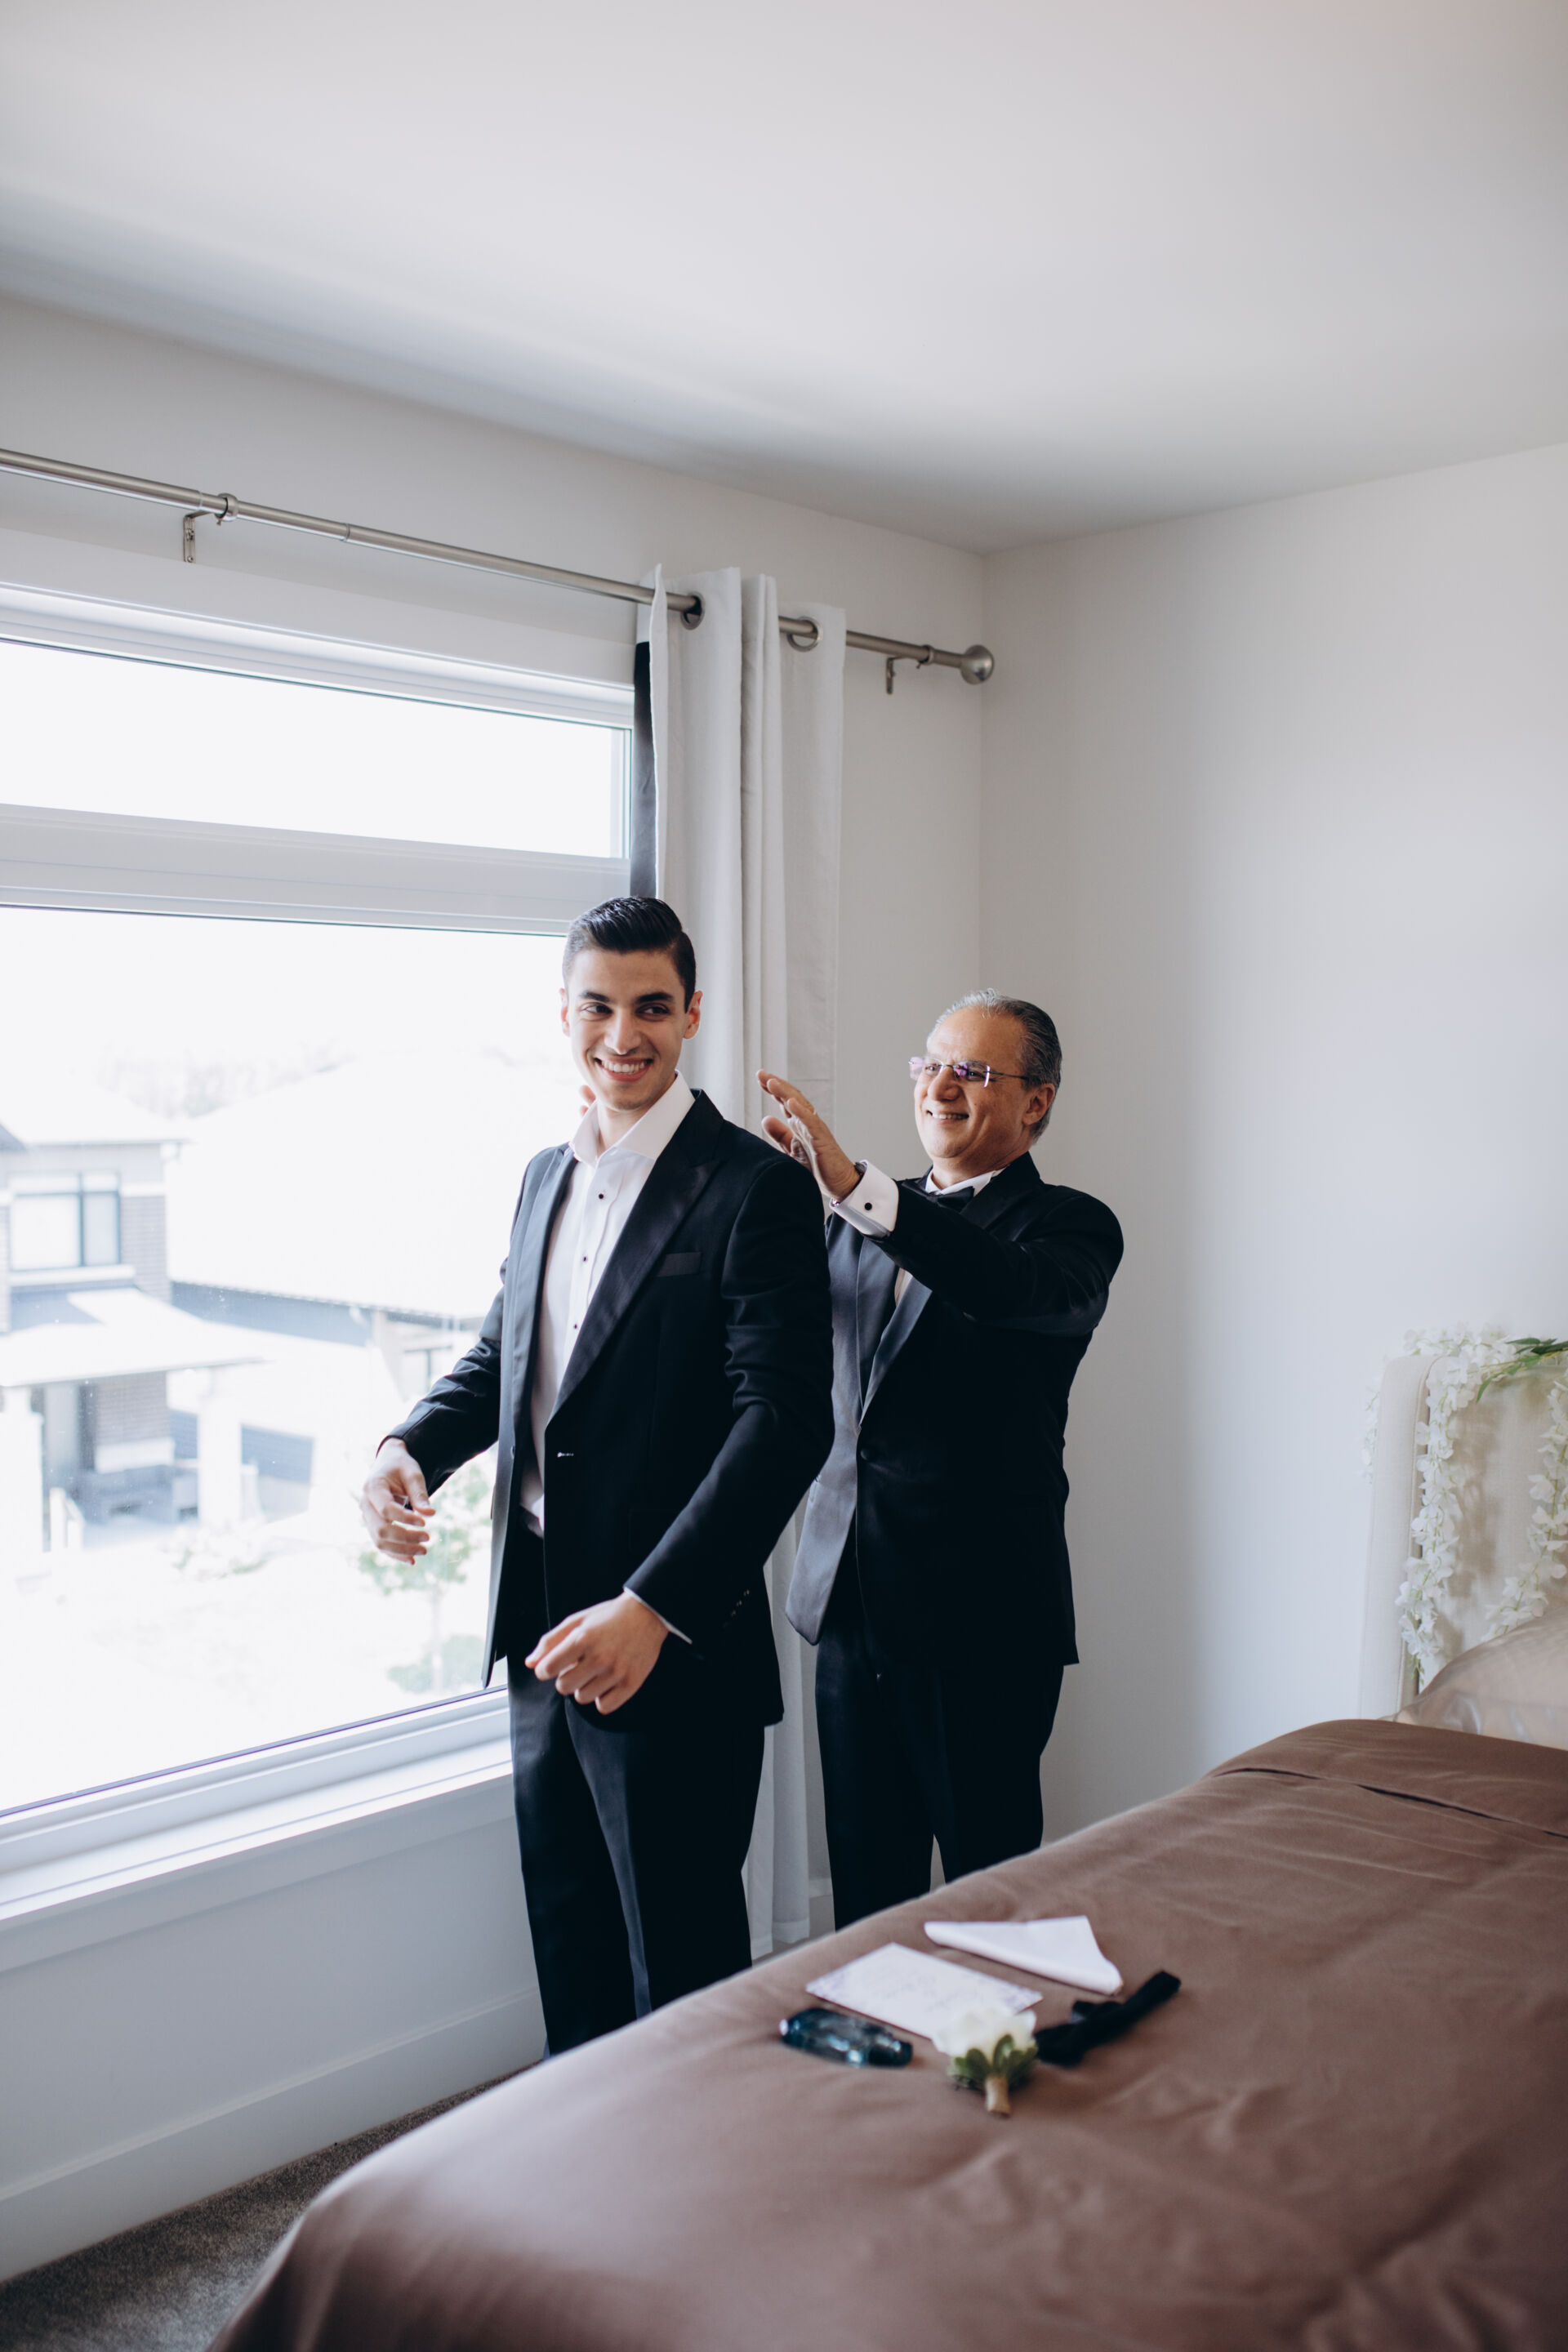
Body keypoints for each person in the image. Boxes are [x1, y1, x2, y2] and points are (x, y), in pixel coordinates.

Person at [362, 898, 832, 2052]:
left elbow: (784, 1424)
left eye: (652, 1008)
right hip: (538, 1617)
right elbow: (506, 1356)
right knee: (568, 1937)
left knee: (679, 1968)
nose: (624, 1035)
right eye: (600, 1007)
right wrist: (405, 1450)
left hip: (672, 1639)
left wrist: (653, 1607)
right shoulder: (543, 1174)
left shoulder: (754, 1187)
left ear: (693, 1015)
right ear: (564, 1014)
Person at [759, 991, 1122, 1929]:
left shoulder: (1072, 1229)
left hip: (982, 1625)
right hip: (849, 1607)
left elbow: (999, 1287)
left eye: (974, 1071)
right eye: (931, 1064)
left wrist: (857, 1189)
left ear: (1036, 1101)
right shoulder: (857, 1215)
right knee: (866, 1904)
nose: (941, 1086)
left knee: (987, 1902)